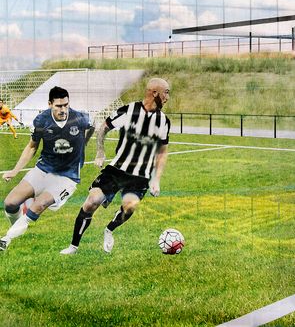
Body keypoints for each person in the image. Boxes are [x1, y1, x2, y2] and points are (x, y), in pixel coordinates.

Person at [60, 78, 171, 255]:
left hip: (140, 176)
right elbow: (103, 127)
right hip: (116, 170)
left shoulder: (164, 121)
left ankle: (109, 229)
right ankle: (73, 247)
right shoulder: (128, 111)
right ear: (154, 93)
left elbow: (162, 151)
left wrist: (156, 179)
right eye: (166, 92)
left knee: (129, 207)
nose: (167, 97)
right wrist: (100, 152)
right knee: (92, 201)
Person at [0, 87, 94, 251]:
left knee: (38, 204)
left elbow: (92, 126)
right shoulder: (41, 121)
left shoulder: (80, 118)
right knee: (10, 203)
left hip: (67, 176)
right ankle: (19, 227)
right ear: (50, 104)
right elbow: (31, 147)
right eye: (58, 106)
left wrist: (83, 144)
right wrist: (15, 171)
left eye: (66, 105)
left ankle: (6, 239)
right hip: (44, 169)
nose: (63, 109)